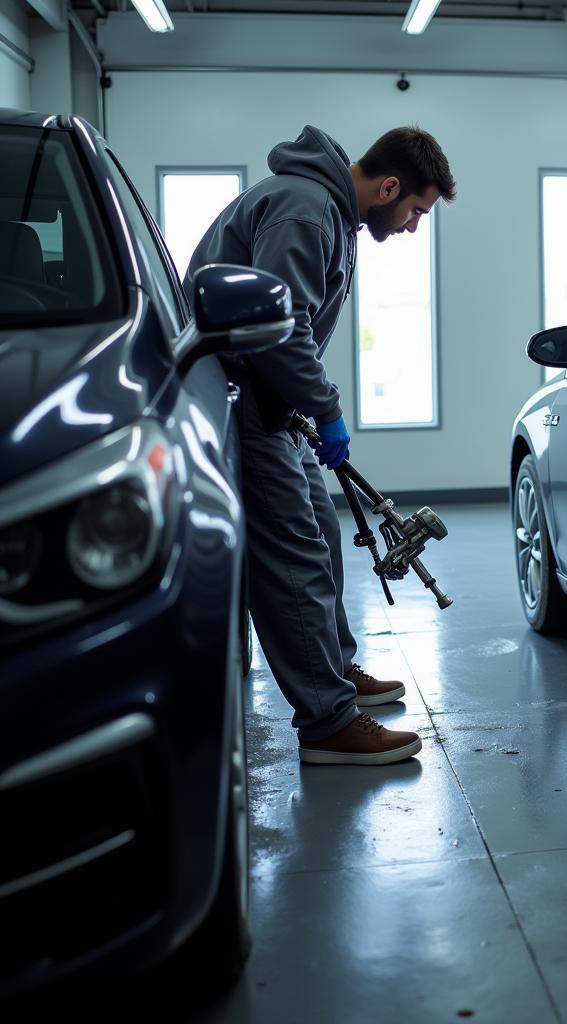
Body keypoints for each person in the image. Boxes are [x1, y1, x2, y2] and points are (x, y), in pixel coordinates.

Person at [185, 125, 456, 765]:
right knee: (293, 556)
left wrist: (309, 408)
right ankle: (327, 723)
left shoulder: (329, 209)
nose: (414, 226)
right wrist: (327, 408)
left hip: (270, 400)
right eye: (416, 210)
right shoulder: (307, 211)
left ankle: (334, 670)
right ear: (389, 187)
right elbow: (281, 327)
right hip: (244, 398)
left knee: (322, 533)